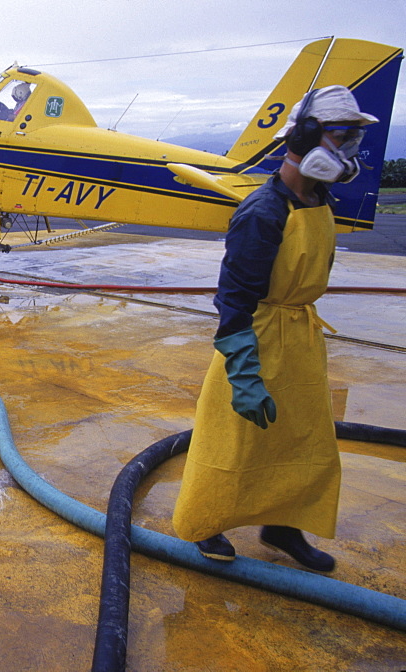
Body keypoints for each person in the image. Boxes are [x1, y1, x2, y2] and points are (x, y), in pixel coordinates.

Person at [172, 85, 379, 572]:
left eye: (352, 140)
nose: (347, 151)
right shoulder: (263, 213)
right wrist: (243, 374)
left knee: (302, 439)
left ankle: (284, 527)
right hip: (256, 336)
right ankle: (205, 523)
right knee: (231, 441)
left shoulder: (317, 201)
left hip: (301, 339)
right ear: (307, 137)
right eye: (340, 137)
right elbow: (234, 300)